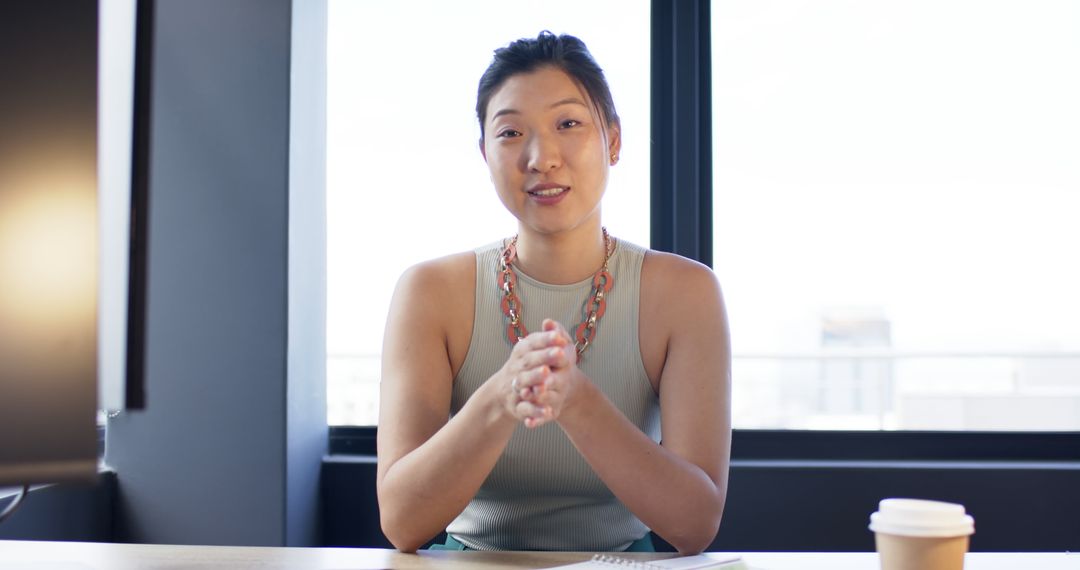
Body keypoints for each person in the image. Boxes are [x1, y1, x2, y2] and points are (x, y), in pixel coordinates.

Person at [376, 31, 731, 554]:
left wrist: (579, 402)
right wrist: (500, 396)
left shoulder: (686, 294)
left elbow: (695, 526)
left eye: (568, 124)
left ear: (613, 141)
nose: (541, 158)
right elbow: (402, 523)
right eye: (511, 132)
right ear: (485, 154)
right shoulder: (429, 292)